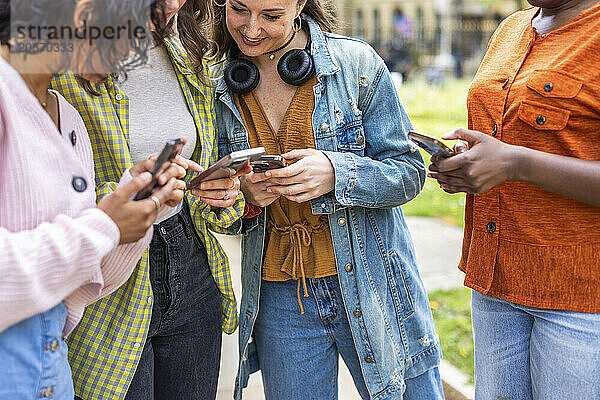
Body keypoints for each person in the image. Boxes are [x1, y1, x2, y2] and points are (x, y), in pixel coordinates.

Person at [211, 0, 445, 399]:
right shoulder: (213, 85)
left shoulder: (356, 64)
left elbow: (410, 172)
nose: (251, 29)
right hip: (281, 299)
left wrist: (338, 173)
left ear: (300, 4)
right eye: (238, 9)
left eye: (271, 16)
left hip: (375, 284)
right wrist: (243, 196)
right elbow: (212, 210)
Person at [51, 1, 250, 399]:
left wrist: (223, 194)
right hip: (111, 276)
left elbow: (203, 160)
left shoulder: (185, 47)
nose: (174, 5)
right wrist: (125, 195)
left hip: (192, 263)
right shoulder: (62, 59)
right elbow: (43, 190)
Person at [0, 0, 192, 398]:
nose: (133, 54)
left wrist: (132, 215)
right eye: (134, 32)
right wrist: (103, 225)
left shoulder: (68, 119)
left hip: (51, 374)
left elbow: (74, 282)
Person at [428, 1, 600, 398]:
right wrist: (470, 170)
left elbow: (515, 158)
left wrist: (515, 164)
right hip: (495, 280)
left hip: (580, 296)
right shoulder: (512, 28)